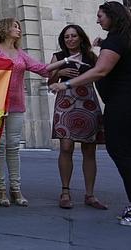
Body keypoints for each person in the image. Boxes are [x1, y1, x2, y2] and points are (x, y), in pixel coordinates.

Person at [50, 1, 131, 226]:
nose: (98, 20)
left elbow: (101, 70)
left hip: (123, 102)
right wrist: (103, 43)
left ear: (112, 16)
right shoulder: (127, 38)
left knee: (122, 154)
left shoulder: (116, 38)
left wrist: (66, 85)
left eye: (100, 16)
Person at [0, 18, 79, 207]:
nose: (18, 30)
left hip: (16, 104)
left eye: (19, 27)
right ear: (4, 29)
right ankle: (1, 189)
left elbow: (42, 69)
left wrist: (66, 60)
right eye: (15, 26)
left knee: (13, 146)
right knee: (0, 147)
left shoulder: (20, 53)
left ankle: (16, 189)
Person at [47, 24, 106, 210]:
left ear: (81, 37)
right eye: (66, 37)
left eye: (73, 36)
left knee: (89, 149)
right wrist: (59, 72)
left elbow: (102, 75)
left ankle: (90, 194)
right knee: (66, 146)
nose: (70, 39)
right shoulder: (58, 57)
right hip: (65, 102)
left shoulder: (90, 57)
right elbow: (49, 83)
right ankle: (65, 192)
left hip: (87, 101)